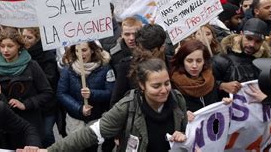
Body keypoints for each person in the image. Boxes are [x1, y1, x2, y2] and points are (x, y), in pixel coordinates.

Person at [45, 58, 187, 151]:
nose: (164, 90)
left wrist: (184, 137)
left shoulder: (178, 99)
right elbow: (90, 134)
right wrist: (49, 150)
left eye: (167, 83)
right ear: (142, 85)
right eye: (156, 86)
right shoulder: (127, 106)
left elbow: (191, 135)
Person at [0, 28, 53, 148]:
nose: (5, 50)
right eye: (2, 46)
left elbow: (47, 93)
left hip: (30, 120)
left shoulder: (32, 66)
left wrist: (26, 104)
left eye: (10, 46)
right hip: (5, 122)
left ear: (19, 46)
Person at [57, 41, 114, 152]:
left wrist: (92, 94)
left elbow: (110, 92)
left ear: (92, 50)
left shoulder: (105, 68)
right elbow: (61, 93)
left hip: (96, 119)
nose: (80, 54)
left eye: (84, 50)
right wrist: (79, 108)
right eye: (77, 51)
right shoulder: (68, 69)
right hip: (75, 120)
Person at [110, 24, 166, 106]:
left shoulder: (170, 63)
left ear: (162, 47)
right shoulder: (127, 66)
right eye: (142, 49)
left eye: (151, 51)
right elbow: (115, 103)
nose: (145, 54)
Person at [212, 18, 271, 94]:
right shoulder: (221, 60)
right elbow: (205, 86)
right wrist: (222, 86)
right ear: (241, 34)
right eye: (249, 38)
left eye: (258, 41)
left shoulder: (265, 63)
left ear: (263, 42)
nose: (252, 44)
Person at [22, 27, 59, 147]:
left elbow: (50, 80)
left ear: (38, 39)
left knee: (47, 134)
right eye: (23, 36)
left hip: (47, 104)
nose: (25, 40)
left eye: (29, 37)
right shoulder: (21, 55)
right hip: (30, 105)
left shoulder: (47, 57)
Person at [170, 40, 221, 115]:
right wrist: (183, 115)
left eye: (199, 61)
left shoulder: (211, 78)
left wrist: (223, 103)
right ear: (182, 61)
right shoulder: (173, 85)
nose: (194, 66)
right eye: (189, 61)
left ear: (204, 61)